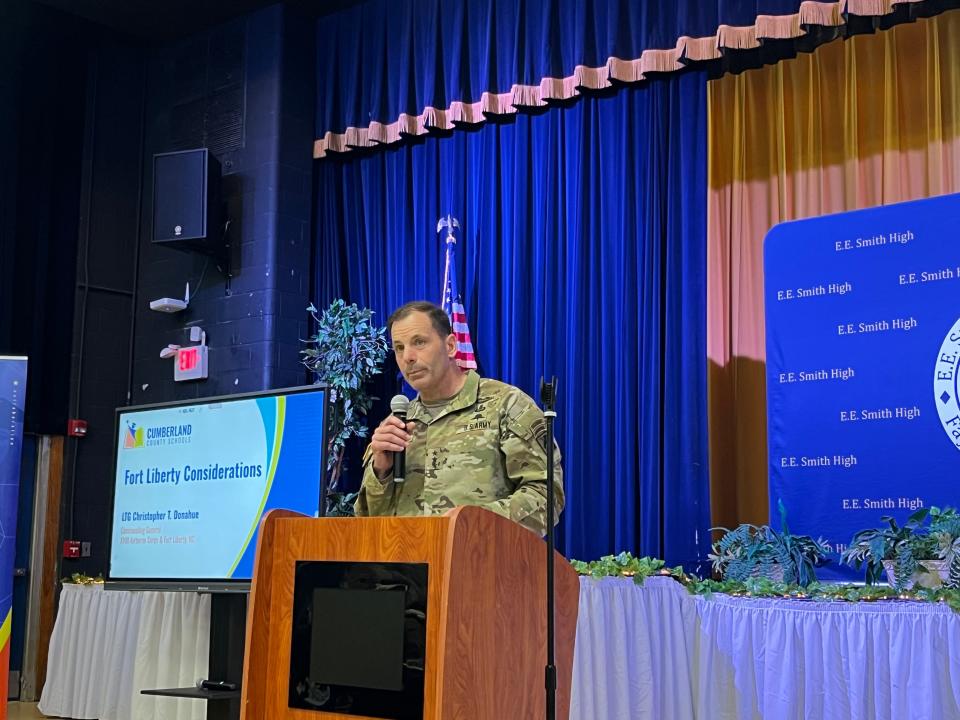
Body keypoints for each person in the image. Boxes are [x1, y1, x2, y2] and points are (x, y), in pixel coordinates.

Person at [355, 300, 564, 535]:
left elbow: (545, 495)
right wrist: (381, 471)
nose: (408, 357)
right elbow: (369, 520)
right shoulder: (395, 425)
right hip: (407, 568)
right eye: (399, 348)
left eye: (419, 342)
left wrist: (472, 524)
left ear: (452, 345)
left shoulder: (506, 405)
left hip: (482, 563)